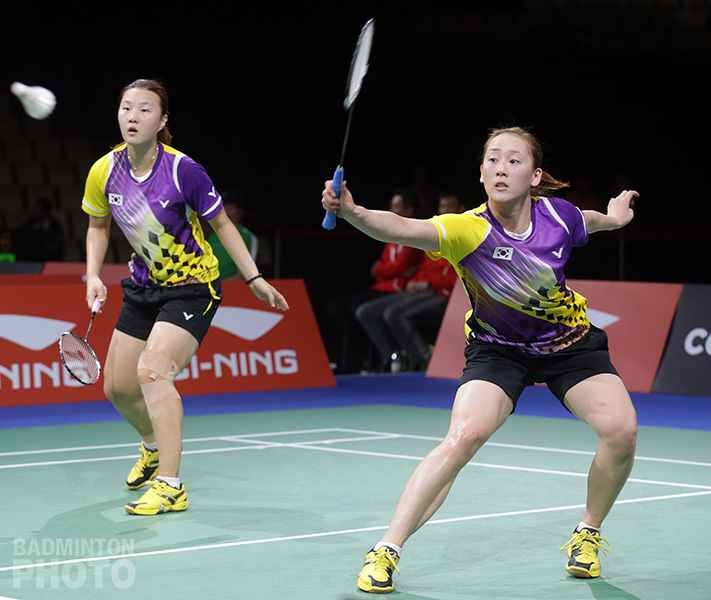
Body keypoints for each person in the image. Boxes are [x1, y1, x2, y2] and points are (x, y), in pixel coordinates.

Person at [321, 126, 639, 592]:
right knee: (463, 436)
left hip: (568, 344)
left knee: (622, 432)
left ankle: (587, 534)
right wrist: (352, 212)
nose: (501, 168)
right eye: (492, 159)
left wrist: (613, 218)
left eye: (513, 160)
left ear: (535, 176)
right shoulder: (467, 229)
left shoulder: (558, 215)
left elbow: (585, 221)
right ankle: (387, 549)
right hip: (498, 350)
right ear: (482, 173)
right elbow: (403, 228)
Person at [82, 79, 289, 516]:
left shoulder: (182, 170)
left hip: (192, 286)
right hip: (143, 286)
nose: (133, 117)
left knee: (153, 371)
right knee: (118, 388)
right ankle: (152, 445)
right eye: (126, 108)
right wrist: (93, 275)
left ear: (162, 121)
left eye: (144, 110)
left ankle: (170, 485)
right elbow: (98, 226)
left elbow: (222, 224)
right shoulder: (104, 170)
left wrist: (253, 277)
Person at [354, 191, 466, 371]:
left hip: (448, 296)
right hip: (425, 290)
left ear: (461, 209)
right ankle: (394, 358)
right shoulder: (435, 233)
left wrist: (429, 283)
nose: (445, 211)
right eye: (442, 207)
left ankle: (423, 357)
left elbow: (462, 276)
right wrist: (415, 280)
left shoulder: (467, 237)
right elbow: (424, 267)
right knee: (365, 312)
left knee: (394, 314)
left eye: (450, 207)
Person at [324, 189, 423, 373]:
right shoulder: (389, 234)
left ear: (409, 210)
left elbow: (398, 267)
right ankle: (362, 359)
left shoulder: (414, 233)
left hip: (396, 290)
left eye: (397, 206)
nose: (392, 209)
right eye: (391, 205)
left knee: (362, 312)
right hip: (381, 287)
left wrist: (384, 269)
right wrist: (387, 270)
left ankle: (387, 358)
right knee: (337, 309)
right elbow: (383, 270)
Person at [206, 188, 258, 279]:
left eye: (225, 206)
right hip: (211, 285)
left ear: (236, 210)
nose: (220, 209)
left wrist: (222, 285)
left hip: (233, 286)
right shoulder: (213, 236)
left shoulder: (247, 236)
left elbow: (247, 275)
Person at [15, 196, 65, 261]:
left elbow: (57, 245)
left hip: (49, 257)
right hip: (31, 257)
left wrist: (41, 245)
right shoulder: (29, 223)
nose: (34, 211)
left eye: (37, 209)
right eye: (34, 208)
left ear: (45, 211)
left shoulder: (55, 224)